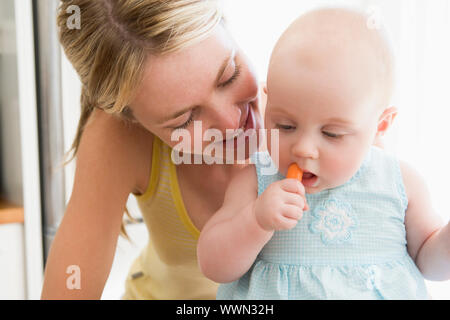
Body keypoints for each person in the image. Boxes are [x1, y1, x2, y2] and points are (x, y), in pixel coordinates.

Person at [197, 7, 450, 299]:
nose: (304, 148)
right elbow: (213, 265)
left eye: (332, 134)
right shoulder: (256, 181)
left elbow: (429, 261)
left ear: (380, 125)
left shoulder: (400, 182)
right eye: (286, 125)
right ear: (269, 100)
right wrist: (255, 221)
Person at [41, 0, 264, 299]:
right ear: (133, 121)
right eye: (184, 120)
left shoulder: (308, 96)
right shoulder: (119, 138)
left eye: (229, 75)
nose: (230, 121)